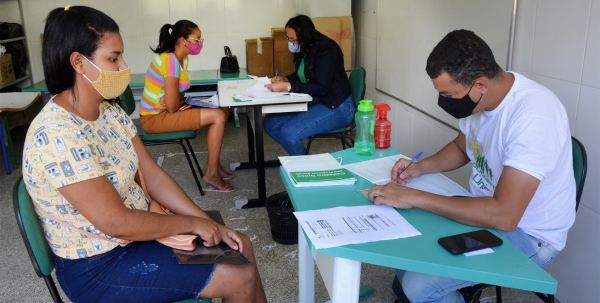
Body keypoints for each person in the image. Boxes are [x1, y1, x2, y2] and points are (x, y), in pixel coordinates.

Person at [23, 6, 266, 302]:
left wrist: (207, 222)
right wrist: (192, 224)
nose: (123, 66)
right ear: (79, 63)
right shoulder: (55, 133)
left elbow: (152, 174)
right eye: (113, 58)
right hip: (99, 266)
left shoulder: (109, 112)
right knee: (238, 275)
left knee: (241, 244)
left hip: (136, 237)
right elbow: (116, 222)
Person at [368, 30, 576, 303]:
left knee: (418, 287)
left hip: (528, 235)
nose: (444, 101)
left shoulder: (534, 117)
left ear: (480, 85)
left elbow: (504, 216)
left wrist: (414, 196)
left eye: (448, 94)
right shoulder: (482, 100)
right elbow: (461, 147)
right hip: (485, 211)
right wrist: (419, 168)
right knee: (402, 244)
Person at [140, 20, 235, 192]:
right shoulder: (170, 61)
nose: (200, 43)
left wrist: (177, 99)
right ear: (183, 40)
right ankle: (212, 174)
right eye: (197, 39)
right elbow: (171, 106)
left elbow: (179, 94)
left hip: (167, 111)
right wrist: (175, 101)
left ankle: (213, 164)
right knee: (218, 116)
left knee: (224, 108)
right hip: (154, 118)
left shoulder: (182, 59)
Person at [263, 15, 355, 156]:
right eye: (289, 38)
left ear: (305, 35)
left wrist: (287, 86)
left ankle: (308, 168)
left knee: (289, 134)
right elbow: (302, 74)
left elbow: (322, 88)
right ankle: (303, 159)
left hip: (337, 106)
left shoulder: (325, 49)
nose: (291, 43)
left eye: (293, 39)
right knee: (270, 123)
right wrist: (285, 78)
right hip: (316, 102)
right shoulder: (305, 48)